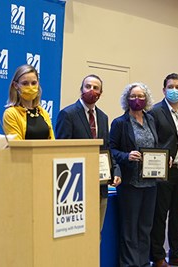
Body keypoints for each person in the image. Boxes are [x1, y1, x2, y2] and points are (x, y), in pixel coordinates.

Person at [55, 74, 121, 234]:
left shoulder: (103, 117)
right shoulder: (67, 114)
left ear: (101, 93)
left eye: (96, 88)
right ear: (81, 89)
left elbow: (107, 148)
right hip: (76, 185)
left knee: (95, 233)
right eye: (88, 86)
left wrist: (116, 171)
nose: (91, 90)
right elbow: (62, 149)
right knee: (77, 235)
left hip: (100, 185)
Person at [148, 73, 178, 267]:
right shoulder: (155, 111)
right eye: (170, 86)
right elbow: (152, 139)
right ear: (163, 89)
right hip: (164, 171)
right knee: (160, 215)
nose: (174, 90)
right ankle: (158, 256)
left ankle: (176, 254)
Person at [109, 82, 158, 267]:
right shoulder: (120, 123)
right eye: (133, 96)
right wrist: (127, 156)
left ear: (146, 100)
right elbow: (111, 150)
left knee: (145, 227)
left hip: (151, 182)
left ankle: (144, 262)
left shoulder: (151, 120)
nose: (137, 100)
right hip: (130, 183)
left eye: (140, 96)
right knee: (130, 228)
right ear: (126, 99)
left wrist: (164, 159)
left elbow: (155, 147)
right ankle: (129, 264)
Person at [3, 64, 55, 140]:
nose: (30, 87)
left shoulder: (43, 113)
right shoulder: (11, 114)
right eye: (25, 83)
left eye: (34, 83)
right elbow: (17, 146)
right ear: (16, 85)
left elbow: (52, 143)